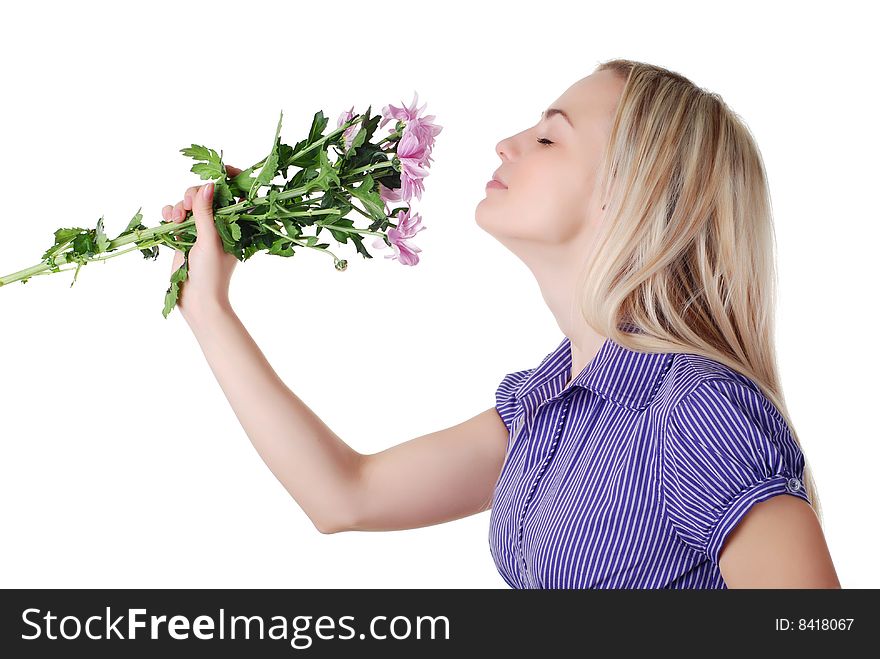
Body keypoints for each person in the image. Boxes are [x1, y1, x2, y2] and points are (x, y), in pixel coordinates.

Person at [162, 58, 839, 589]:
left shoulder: (699, 410)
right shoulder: (545, 405)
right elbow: (345, 494)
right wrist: (209, 309)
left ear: (632, 196)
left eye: (548, 136)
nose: (508, 143)